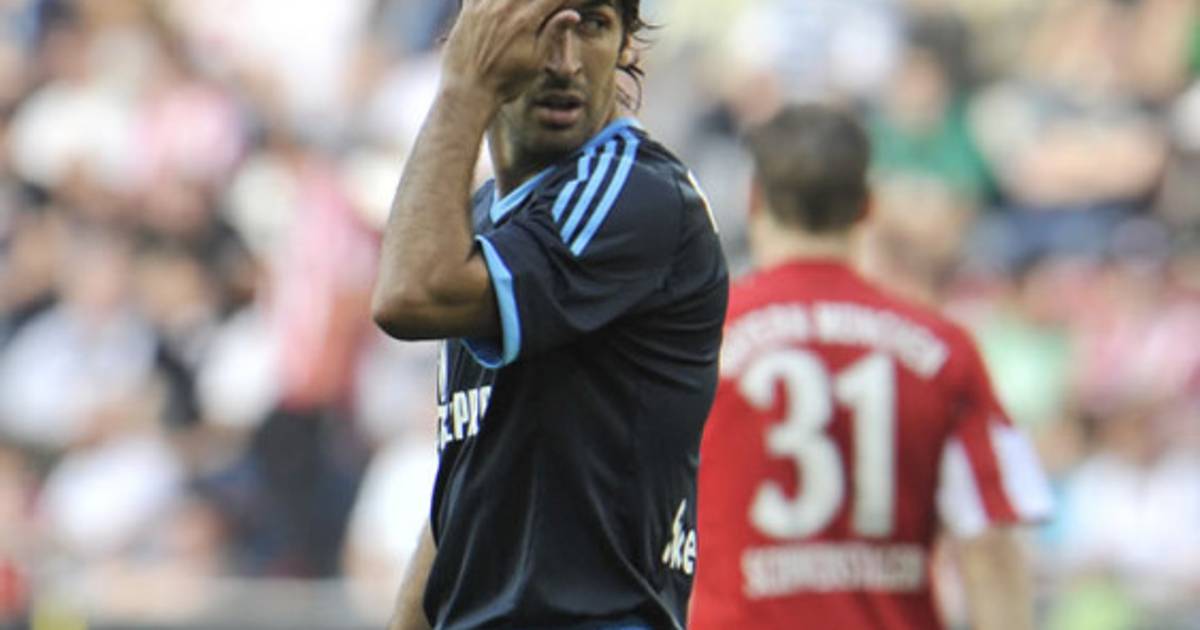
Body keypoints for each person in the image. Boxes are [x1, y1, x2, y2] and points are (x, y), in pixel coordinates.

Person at [370, 1, 728, 628]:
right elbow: (467, 484)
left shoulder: (631, 192)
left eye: (592, 24)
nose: (564, 63)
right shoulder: (484, 221)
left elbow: (408, 295)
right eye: (540, 24)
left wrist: (463, 86)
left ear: (626, 43)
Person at [689, 104, 1052, 630]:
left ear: (754, 201)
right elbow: (990, 540)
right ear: (867, 206)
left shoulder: (701, 344)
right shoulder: (942, 352)